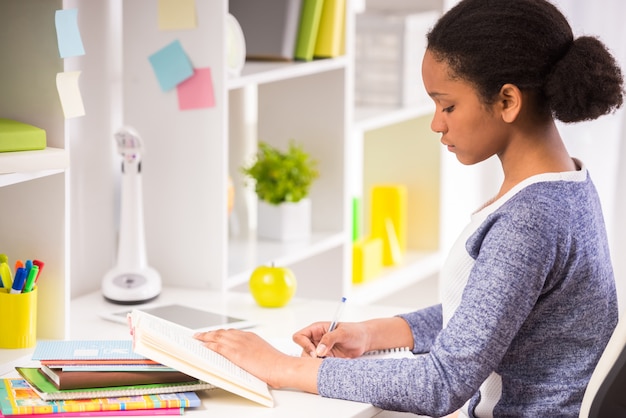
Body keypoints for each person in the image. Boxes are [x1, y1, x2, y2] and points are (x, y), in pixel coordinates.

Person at [194, 0, 624, 416]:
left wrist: (284, 368)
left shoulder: (529, 221)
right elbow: (488, 318)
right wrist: (371, 334)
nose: (437, 122)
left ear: (508, 101)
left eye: (448, 105)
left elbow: (440, 386)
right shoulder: (567, 185)